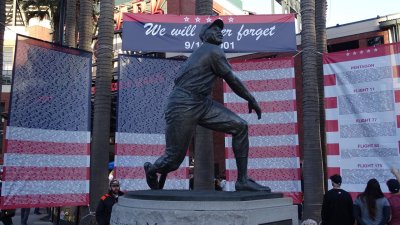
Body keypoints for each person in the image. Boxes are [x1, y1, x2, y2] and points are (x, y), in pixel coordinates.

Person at [144, 19, 270, 192]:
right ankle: (152, 169)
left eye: (220, 29)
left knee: (240, 126)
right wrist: (251, 98)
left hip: (202, 103)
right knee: (173, 161)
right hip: (183, 104)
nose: (220, 32)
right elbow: (231, 79)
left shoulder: (206, 52)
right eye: (214, 29)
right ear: (204, 36)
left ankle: (242, 181)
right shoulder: (212, 51)